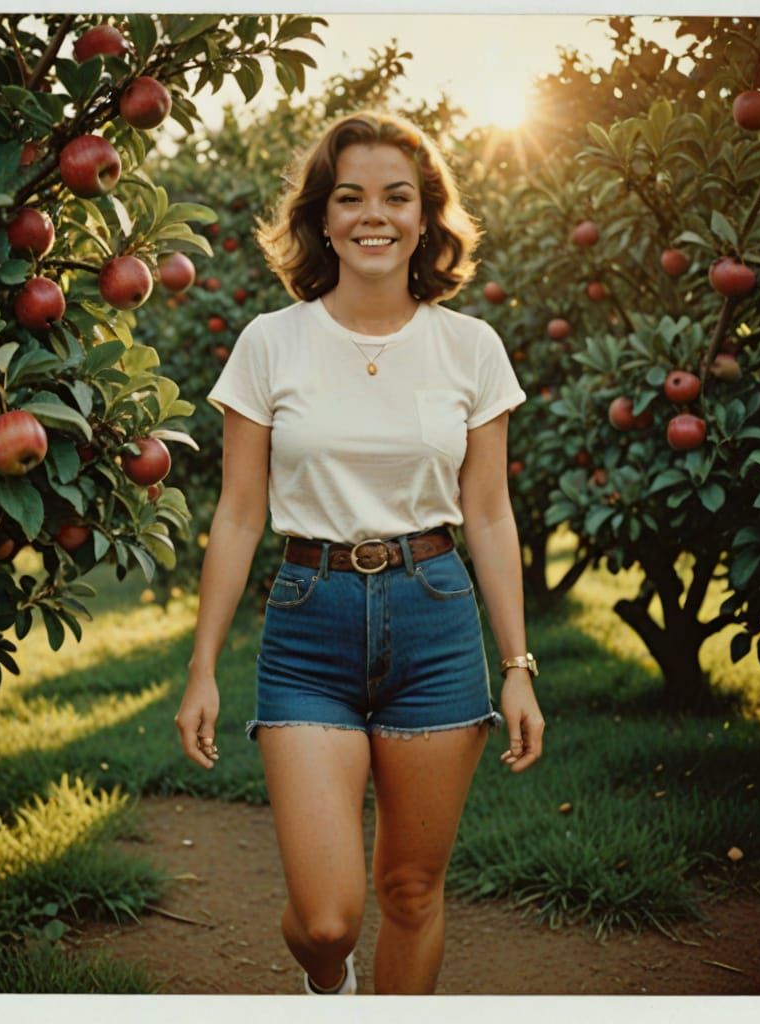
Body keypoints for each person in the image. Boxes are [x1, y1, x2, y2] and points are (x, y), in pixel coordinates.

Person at [174, 109, 545, 996]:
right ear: (321, 217)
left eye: (396, 197)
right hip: (310, 620)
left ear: (426, 219)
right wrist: (202, 666)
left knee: (412, 889)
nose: (373, 215)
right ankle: (327, 982)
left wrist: (518, 664)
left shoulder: (470, 347)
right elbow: (237, 513)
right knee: (329, 915)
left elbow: (488, 515)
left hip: (436, 618)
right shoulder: (271, 341)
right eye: (350, 197)